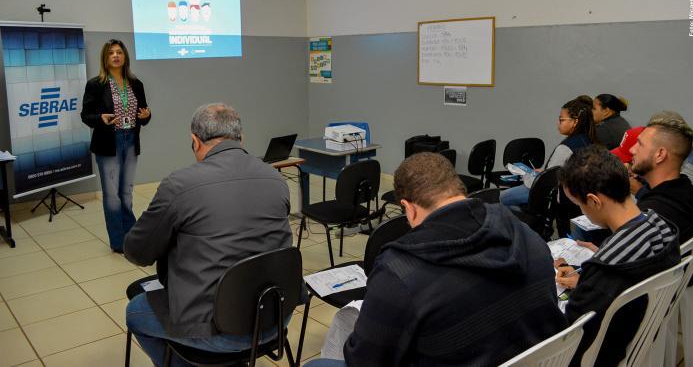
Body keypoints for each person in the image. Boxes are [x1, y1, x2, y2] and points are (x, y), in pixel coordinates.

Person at [307, 152, 567, 367]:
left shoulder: (399, 271)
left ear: (408, 208)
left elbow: (364, 361)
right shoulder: (525, 234)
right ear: (458, 190)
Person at [124, 103, 294, 366]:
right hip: (275, 317)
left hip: (216, 331)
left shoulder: (179, 185)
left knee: (135, 311)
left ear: (194, 141)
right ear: (242, 139)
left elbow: (137, 251)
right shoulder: (276, 179)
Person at [555, 145, 680, 367]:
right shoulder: (661, 226)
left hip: (602, 354)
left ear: (594, 201)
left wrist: (591, 280)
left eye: (579, 205)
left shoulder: (607, 267)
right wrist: (586, 282)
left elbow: (569, 336)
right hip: (640, 332)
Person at [81, 39, 151, 253]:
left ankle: (131, 236)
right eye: (111, 52)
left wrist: (146, 115)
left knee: (127, 192)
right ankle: (118, 242)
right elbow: (86, 115)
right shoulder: (96, 84)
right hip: (108, 143)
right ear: (105, 57)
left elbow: (144, 114)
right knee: (112, 195)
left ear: (125, 57)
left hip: (130, 140)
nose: (116, 56)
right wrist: (100, 118)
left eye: (119, 52)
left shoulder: (135, 84)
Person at [500, 96, 596, 209]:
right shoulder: (589, 141)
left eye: (561, 120)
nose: (558, 124)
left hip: (555, 194)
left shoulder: (566, 148)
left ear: (575, 122)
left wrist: (527, 176)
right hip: (575, 193)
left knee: (504, 198)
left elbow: (547, 182)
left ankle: (521, 223)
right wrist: (545, 171)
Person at [630, 111, 693, 243]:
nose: (632, 150)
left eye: (640, 144)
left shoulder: (649, 216)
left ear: (660, 154)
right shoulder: (692, 193)